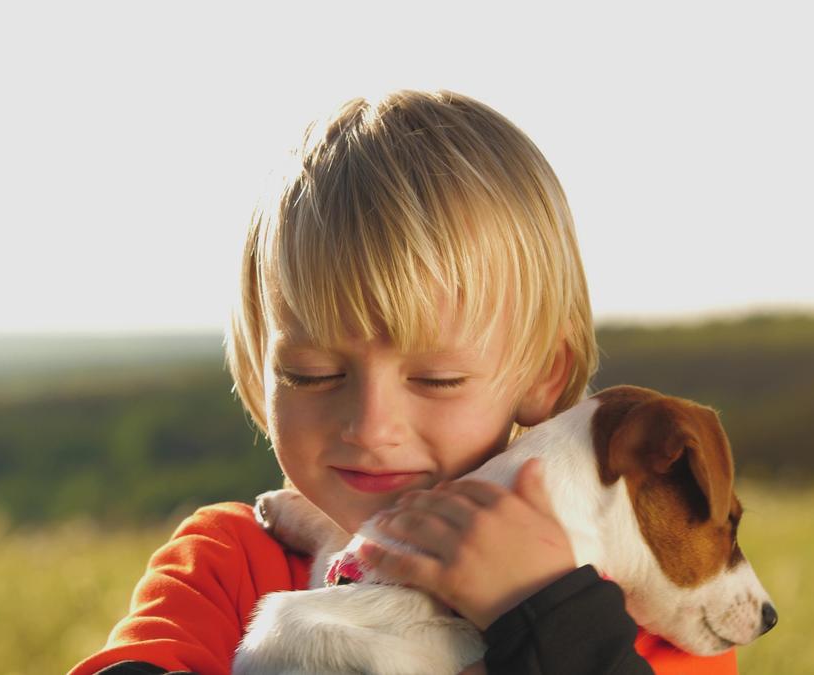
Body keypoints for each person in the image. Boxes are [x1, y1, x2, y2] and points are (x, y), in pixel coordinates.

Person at [68, 89, 738, 675]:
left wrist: (542, 608)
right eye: (312, 374)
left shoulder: (636, 602)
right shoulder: (229, 561)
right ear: (257, 372)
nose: (370, 426)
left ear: (544, 375)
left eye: (438, 379)